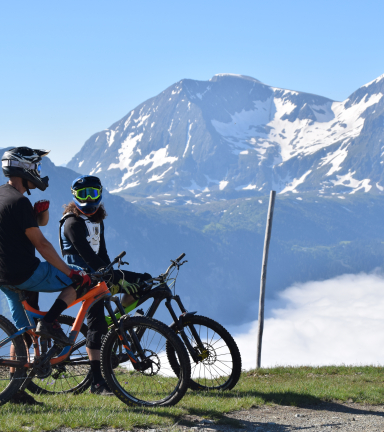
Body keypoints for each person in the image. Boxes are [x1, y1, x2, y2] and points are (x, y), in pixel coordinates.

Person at [0, 147, 92, 403]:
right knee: (82, 282)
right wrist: (71, 272)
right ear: (24, 169)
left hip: (3, 277)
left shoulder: (4, 196)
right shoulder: (19, 202)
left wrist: (38, 215)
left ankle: (15, 391)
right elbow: (42, 245)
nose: (38, 172)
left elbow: (16, 228)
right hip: (26, 273)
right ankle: (50, 321)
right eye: (35, 168)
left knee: (21, 335)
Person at [59, 175, 151, 395]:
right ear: (75, 197)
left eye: (92, 193)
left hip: (100, 273)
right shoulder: (72, 222)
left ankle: (113, 322)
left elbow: (102, 253)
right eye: (83, 194)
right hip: (82, 278)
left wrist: (113, 274)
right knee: (96, 326)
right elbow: (87, 256)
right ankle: (97, 383)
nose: (89, 199)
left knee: (144, 282)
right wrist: (114, 277)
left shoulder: (96, 221)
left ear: (100, 194)